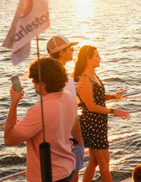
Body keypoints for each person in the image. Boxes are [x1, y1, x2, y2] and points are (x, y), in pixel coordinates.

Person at [4, 57, 81, 182]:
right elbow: (72, 125)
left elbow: (9, 139)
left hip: (49, 175)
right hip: (67, 168)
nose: (33, 83)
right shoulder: (70, 97)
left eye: (34, 80)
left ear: (43, 84)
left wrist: (14, 103)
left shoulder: (39, 111)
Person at [74, 45, 131, 182]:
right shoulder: (85, 78)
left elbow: (96, 96)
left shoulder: (92, 75)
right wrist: (114, 111)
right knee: (104, 163)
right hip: (92, 123)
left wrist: (113, 96)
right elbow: (91, 106)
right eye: (97, 56)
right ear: (88, 59)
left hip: (99, 122)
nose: (100, 58)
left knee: (94, 163)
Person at [47, 35, 84, 182]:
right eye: (70, 49)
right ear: (61, 52)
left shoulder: (46, 78)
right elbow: (71, 113)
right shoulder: (66, 79)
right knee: (73, 175)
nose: (73, 51)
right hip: (70, 139)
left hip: (54, 137)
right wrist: (79, 139)